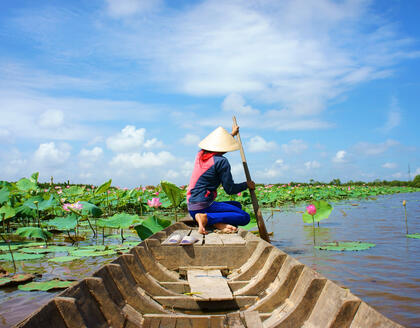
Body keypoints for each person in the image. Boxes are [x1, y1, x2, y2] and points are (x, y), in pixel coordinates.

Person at [187, 124, 255, 234]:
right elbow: (230, 189)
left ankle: (216, 223)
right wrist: (246, 185)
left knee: (236, 205)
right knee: (245, 216)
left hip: (192, 207)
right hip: (203, 206)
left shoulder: (200, 154)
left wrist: (232, 134)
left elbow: (218, 143)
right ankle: (206, 218)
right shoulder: (221, 161)